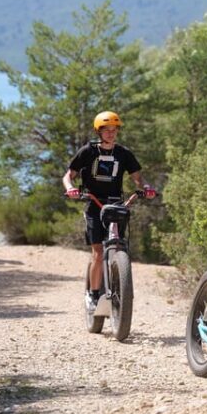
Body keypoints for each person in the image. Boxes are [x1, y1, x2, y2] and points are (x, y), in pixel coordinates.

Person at [62, 111, 157, 312]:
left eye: (114, 130)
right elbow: (68, 175)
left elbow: (138, 178)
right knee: (97, 251)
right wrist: (70, 188)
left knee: (120, 246)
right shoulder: (88, 151)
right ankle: (93, 295)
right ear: (99, 131)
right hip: (93, 203)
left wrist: (146, 188)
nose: (111, 133)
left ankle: (119, 282)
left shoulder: (123, 153)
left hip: (116, 204)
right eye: (107, 130)